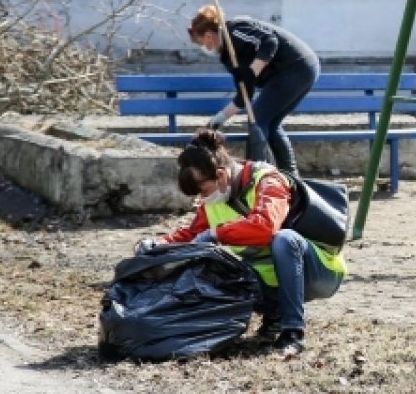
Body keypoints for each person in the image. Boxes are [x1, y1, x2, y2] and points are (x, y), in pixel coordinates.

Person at [135, 129, 345, 356]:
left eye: (203, 190)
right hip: (270, 277)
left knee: (285, 240)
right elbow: (191, 234)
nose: (202, 199)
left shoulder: (268, 182)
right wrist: (157, 244)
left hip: (319, 271)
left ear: (221, 175)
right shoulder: (215, 199)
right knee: (217, 269)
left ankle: (292, 332)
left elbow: (265, 227)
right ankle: (273, 313)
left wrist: (217, 234)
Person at [188, 6, 321, 179]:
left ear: (208, 36)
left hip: (296, 66)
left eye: (201, 43)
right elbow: (245, 94)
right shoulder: (228, 56)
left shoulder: (234, 32)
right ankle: (291, 177)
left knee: (257, 118)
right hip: (294, 71)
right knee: (270, 123)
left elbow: (269, 41)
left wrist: (251, 71)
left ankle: (256, 177)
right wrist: (220, 118)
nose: (204, 48)